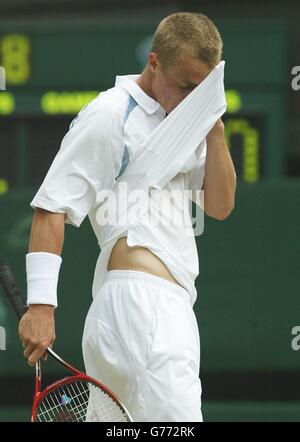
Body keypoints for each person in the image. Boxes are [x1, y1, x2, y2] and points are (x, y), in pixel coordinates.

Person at [19, 12, 236, 422]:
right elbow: (51, 207)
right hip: (143, 312)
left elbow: (220, 206)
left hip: (157, 311)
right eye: (186, 85)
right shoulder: (109, 115)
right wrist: (41, 307)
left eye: (202, 89)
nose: (193, 98)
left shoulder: (189, 122)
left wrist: (213, 127)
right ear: (153, 63)